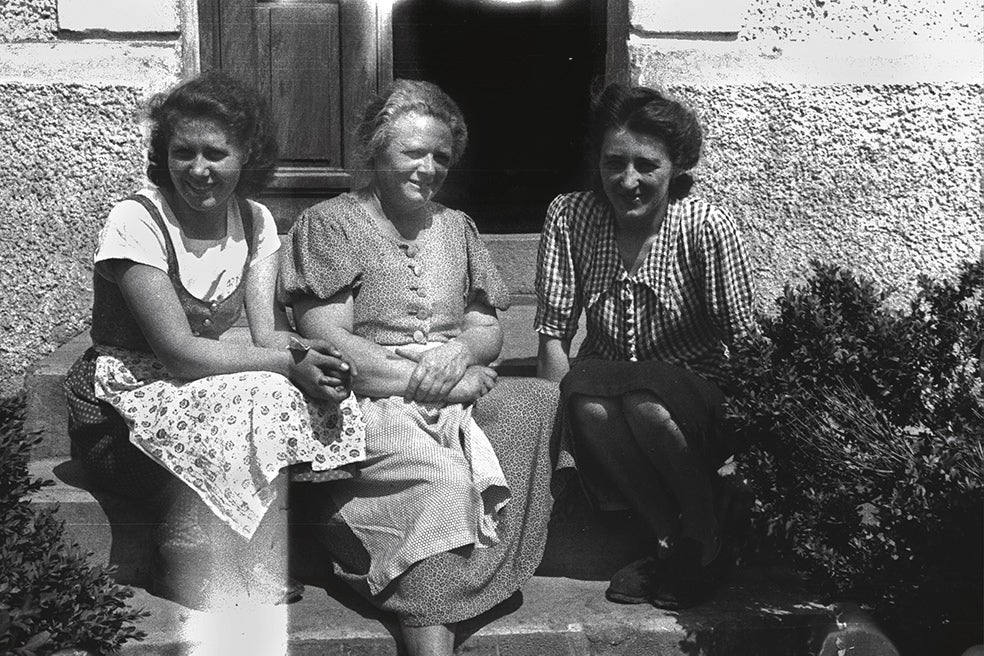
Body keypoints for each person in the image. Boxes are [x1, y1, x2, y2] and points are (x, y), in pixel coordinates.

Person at [279, 79, 562, 655]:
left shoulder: (457, 227)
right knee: (445, 484)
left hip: (454, 393)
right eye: (413, 153)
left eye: (441, 157)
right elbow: (328, 342)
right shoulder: (329, 224)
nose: (428, 169)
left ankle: (468, 574)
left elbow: (488, 328)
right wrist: (439, 384)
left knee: (538, 401)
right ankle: (427, 599)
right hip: (370, 399)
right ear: (375, 151)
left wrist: (461, 352)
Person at [63, 71, 366, 607]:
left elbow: (268, 334)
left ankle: (252, 545)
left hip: (193, 387)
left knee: (284, 386)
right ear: (164, 155)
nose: (199, 170)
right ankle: (181, 550)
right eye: (183, 152)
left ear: (246, 156)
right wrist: (285, 364)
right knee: (263, 387)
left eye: (216, 154)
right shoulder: (137, 220)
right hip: (119, 407)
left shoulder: (255, 221)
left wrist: (308, 356)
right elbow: (178, 352)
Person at [534, 83, 756, 609]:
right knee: (587, 399)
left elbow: (745, 342)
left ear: (676, 167)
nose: (627, 180)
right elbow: (554, 333)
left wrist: (756, 449)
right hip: (608, 394)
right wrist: (555, 436)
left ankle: (705, 531)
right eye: (614, 163)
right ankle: (669, 540)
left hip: (693, 395)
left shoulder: (705, 226)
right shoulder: (571, 216)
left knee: (646, 403)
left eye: (646, 165)